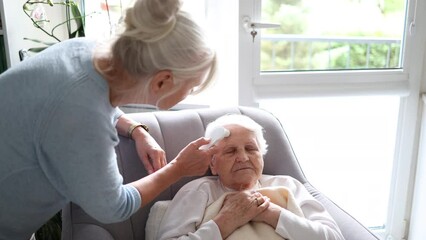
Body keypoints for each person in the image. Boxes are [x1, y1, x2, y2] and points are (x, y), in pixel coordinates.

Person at [0, 0, 217, 239]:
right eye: (193, 87)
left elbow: (88, 101)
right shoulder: (82, 117)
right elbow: (114, 206)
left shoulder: (86, 50)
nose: (191, 93)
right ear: (163, 81)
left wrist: (136, 130)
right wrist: (178, 168)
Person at [155, 114, 345, 240]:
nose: (243, 158)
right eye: (230, 151)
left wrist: (270, 213)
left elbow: (333, 237)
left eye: (251, 149)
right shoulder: (198, 191)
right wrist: (226, 221)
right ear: (213, 164)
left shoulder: (288, 185)